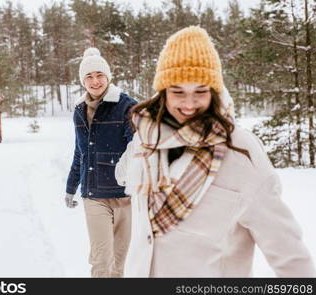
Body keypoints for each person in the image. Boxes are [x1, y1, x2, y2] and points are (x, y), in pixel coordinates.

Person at [115, 26, 316, 277]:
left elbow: (288, 253)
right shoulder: (146, 141)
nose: (189, 104)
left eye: (200, 91)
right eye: (178, 92)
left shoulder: (241, 152)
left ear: (215, 92)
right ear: (163, 92)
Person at [65, 47, 137, 277]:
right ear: (82, 81)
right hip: (94, 194)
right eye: (89, 76)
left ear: (108, 76)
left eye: (99, 75)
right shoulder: (79, 110)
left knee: (118, 262)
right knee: (101, 260)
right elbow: (80, 152)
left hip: (124, 194)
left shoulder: (126, 106)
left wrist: (125, 175)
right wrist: (70, 187)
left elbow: (138, 147)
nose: (95, 81)